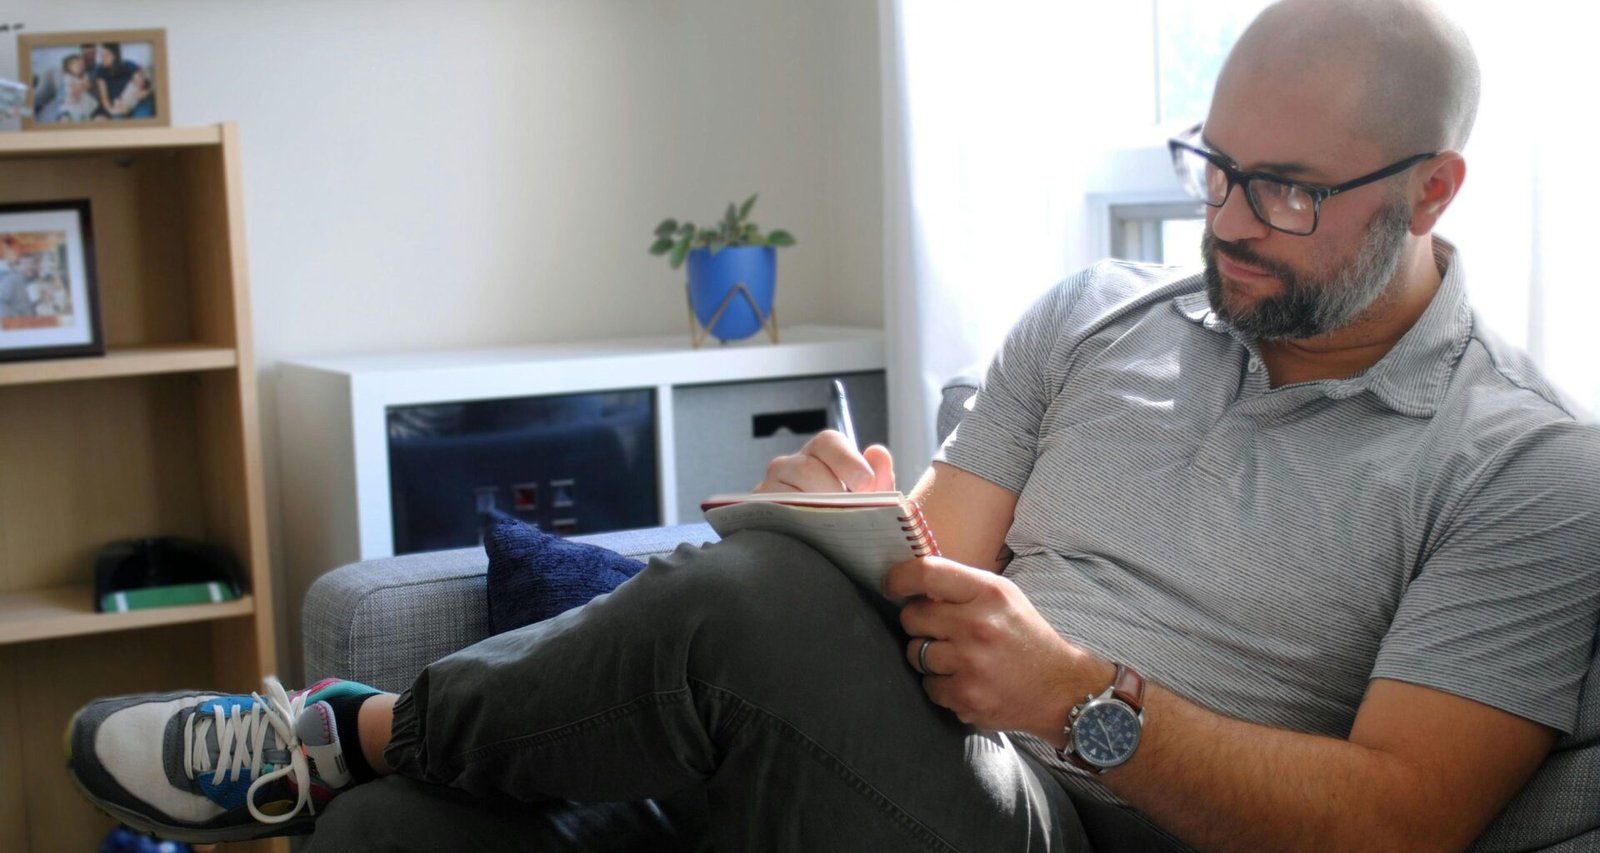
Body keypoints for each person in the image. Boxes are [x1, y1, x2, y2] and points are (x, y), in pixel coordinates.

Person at [65, 0, 1599, 849]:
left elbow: (1404, 824)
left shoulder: (1521, 464)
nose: (1228, 222)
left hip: (1091, 833)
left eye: (1287, 193)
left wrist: (1077, 698)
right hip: (897, 765)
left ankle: (338, 727)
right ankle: (357, 771)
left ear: (1431, 190)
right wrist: (854, 523)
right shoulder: (1095, 317)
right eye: (1215, 164)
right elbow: (939, 564)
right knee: (402, 846)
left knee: (746, 607)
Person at [0, 251, 41, 318]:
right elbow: (1, 303)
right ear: (20, 266)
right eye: (25, 264)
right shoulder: (11, 280)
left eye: (32, 263)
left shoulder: (35, 281)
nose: (29, 266)